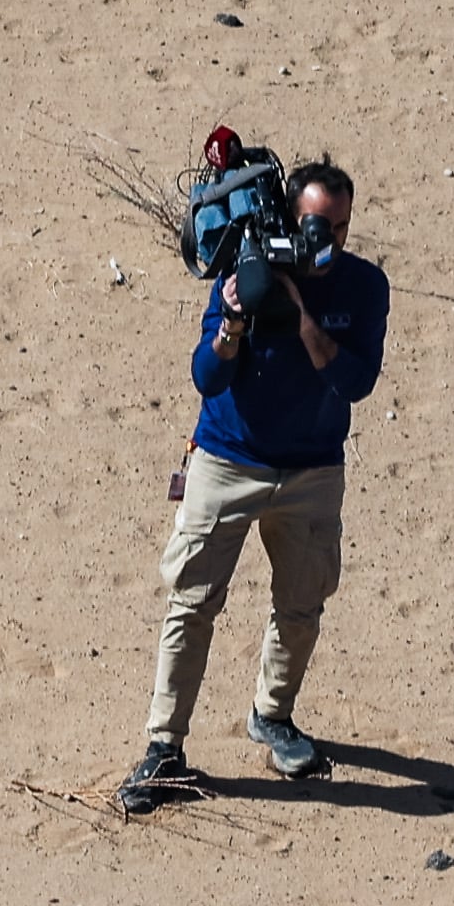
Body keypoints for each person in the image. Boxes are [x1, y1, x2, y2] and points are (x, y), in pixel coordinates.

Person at [121, 161, 386, 815]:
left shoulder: (364, 285)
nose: (331, 241)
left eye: (342, 227)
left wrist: (298, 314)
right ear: (290, 218)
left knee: (301, 607)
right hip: (226, 459)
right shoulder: (243, 269)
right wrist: (234, 318)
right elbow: (207, 377)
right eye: (319, 226)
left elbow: (354, 382)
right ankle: (163, 746)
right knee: (190, 604)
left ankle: (272, 716)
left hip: (313, 471)